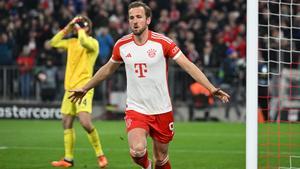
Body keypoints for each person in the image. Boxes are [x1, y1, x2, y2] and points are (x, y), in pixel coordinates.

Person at [69, 2, 230, 169]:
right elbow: (108, 69)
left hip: (162, 109)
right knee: (137, 150)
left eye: (139, 17)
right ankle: (146, 165)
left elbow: (188, 65)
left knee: (161, 158)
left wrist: (211, 88)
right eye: (131, 18)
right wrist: (86, 87)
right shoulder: (122, 45)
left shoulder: (162, 42)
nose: (135, 21)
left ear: (148, 20)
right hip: (136, 108)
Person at [49, 15, 108, 168]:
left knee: (85, 123)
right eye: (78, 25)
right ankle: (68, 159)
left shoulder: (93, 43)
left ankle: (100, 155)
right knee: (66, 123)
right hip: (69, 89)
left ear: (88, 28)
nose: (78, 27)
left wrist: (81, 27)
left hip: (83, 88)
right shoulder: (71, 42)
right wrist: (68, 28)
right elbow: (53, 42)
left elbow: (83, 40)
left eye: (83, 25)